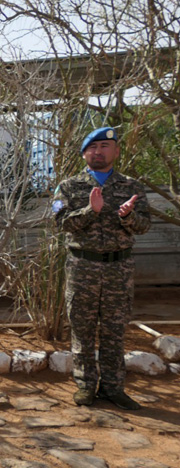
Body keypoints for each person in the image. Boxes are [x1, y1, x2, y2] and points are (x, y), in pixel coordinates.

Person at [53, 126, 151, 410]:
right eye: (92, 147)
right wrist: (89, 211)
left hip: (119, 270)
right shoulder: (68, 187)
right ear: (84, 153)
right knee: (82, 330)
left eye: (105, 146)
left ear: (116, 151)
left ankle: (113, 389)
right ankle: (85, 387)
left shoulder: (132, 187)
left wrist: (128, 217)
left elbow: (145, 226)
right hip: (83, 267)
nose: (98, 151)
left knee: (114, 331)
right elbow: (60, 223)